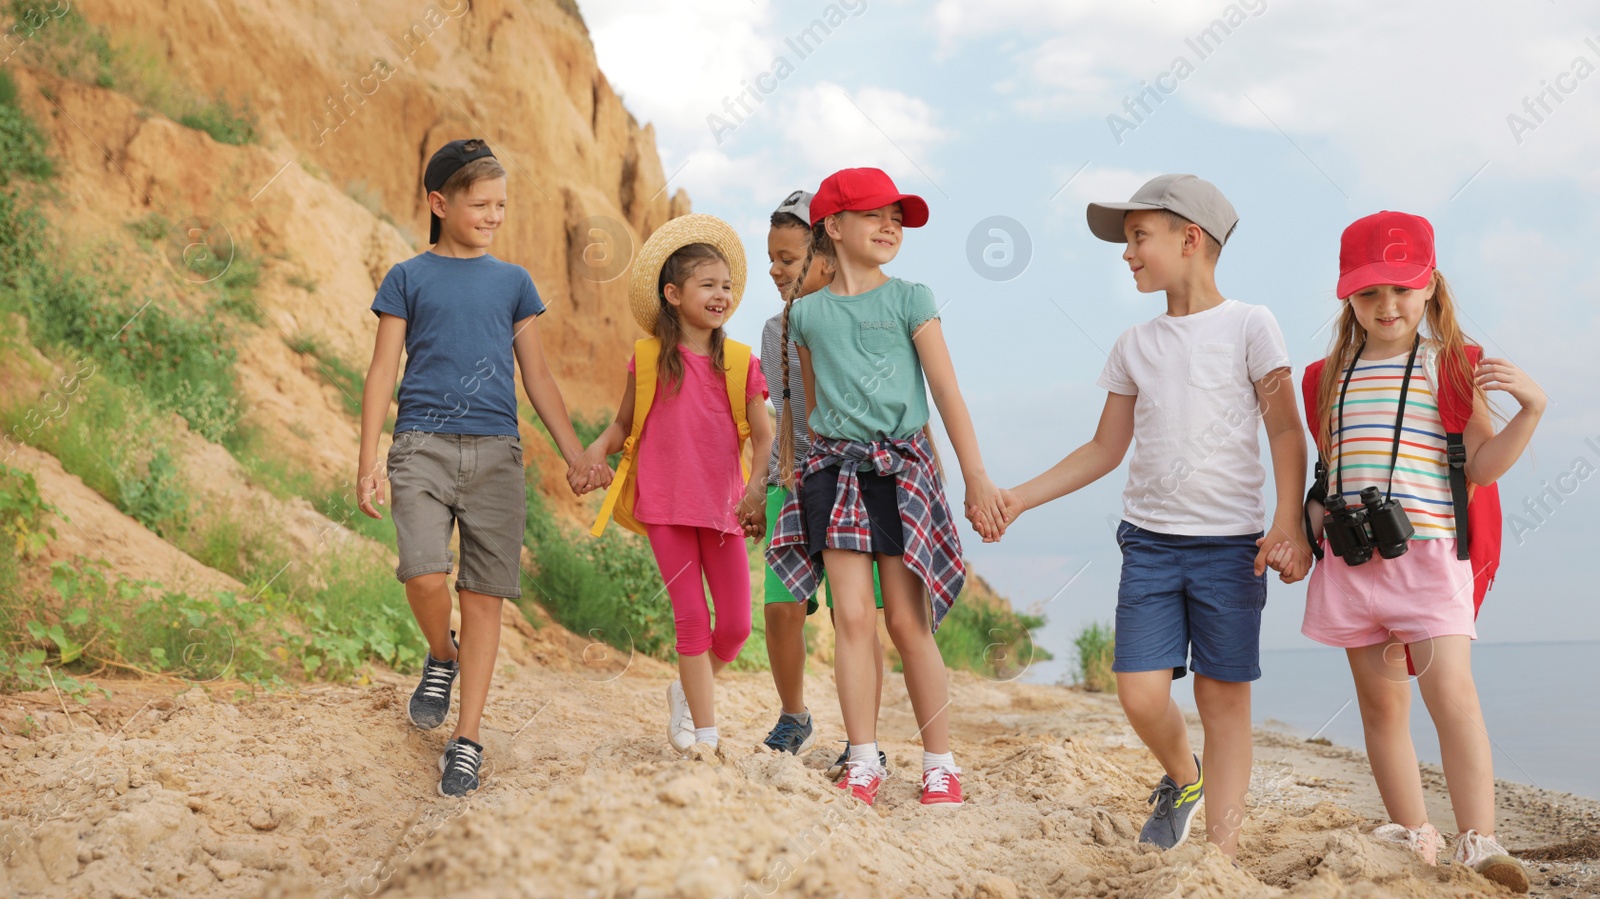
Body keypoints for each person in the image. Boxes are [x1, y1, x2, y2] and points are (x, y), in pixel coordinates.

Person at [998, 174, 1310, 857]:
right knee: (1139, 694)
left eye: (1139, 236)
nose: (1127, 252)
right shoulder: (1133, 344)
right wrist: (1022, 495)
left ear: (1190, 238)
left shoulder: (1252, 324)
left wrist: (1290, 521)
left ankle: (1219, 858)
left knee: (1224, 703)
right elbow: (1105, 448)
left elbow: (1287, 431)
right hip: (1150, 545)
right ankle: (1183, 778)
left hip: (1232, 547)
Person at [1276, 211, 1541, 892]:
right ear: (1348, 298)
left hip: (1427, 558)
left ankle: (1478, 838)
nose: (1386, 305)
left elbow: (1480, 465)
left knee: (1451, 695)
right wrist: (1302, 531)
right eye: (1368, 293)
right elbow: (1326, 476)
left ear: (1429, 288)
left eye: (1400, 289)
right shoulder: (1325, 377)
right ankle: (1412, 829)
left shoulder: (1450, 364)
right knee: (1380, 706)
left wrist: (1531, 411)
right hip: (1353, 562)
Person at [357, 139, 590, 797]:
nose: (494, 215)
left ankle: (467, 737)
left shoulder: (514, 283)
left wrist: (574, 453)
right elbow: (382, 370)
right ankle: (441, 653)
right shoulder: (407, 277)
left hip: (496, 452)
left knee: (484, 595)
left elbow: (537, 375)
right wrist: (368, 457)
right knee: (424, 571)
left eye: (502, 205)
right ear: (440, 203)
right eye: (481, 203)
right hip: (420, 444)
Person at [767, 167, 1006, 807]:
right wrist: (802, 472)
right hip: (832, 473)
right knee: (850, 619)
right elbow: (814, 407)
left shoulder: (911, 300)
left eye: (897, 218)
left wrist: (975, 476)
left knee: (906, 620)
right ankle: (865, 761)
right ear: (834, 227)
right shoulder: (806, 316)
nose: (890, 226)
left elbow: (946, 395)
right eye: (876, 215)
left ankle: (940, 763)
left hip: (902, 472)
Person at [575, 214, 773, 758]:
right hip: (665, 508)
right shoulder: (645, 361)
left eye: (727, 286)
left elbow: (765, 432)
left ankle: (688, 689)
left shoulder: (739, 362)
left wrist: (756, 488)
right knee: (691, 621)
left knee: (733, 629)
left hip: (724, 508)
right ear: (673, 293)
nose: (721, 295)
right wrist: (595, 450)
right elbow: (621, 426)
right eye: (708, 285)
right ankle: (705, 739)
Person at [759, 190, 886, 772]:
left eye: (787, 258)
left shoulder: (866, 318)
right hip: (794, 476)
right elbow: (781, 412)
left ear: (826, 258)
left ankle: (865, 736)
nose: (775, 269)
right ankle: (794, 714)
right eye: (772, 257)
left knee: (852, 614)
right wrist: (764, 484)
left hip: (854, 480)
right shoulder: (774, 329)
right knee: (783, 607)